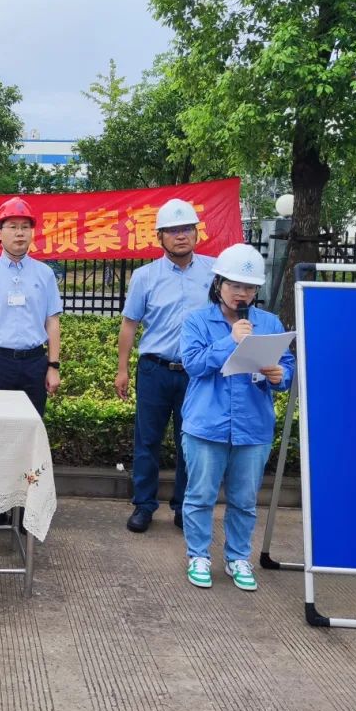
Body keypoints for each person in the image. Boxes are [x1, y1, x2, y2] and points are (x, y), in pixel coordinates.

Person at [179, 243, 294, 592]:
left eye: (249, 287)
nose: (241, 293)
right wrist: (230, 341)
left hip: (253, 427)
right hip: (206, 425)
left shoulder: (269, 323)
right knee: (200, 495)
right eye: (234, 285)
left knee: (244, 500)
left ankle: (238, 557)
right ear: (219, 284)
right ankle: (198, 555)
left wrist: (280, 376)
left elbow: (287, 366)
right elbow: (193, 365)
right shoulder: (197, 321)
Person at [116, 198, 214, 533]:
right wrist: (122, 369)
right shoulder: (145, 276)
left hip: (197, 373)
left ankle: (184, 507)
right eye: (172, 231)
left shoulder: (214, 273)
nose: (180, 236)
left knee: (191, 441)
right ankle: (143, 505)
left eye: (186, 229)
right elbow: (129, 324)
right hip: (154, 369)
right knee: (147, 441)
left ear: (196, 233)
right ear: (159, 237)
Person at [0, 196, 63, 526]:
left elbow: (52, 322)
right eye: (12, 227)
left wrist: (53, 366)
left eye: (25, 227)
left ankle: (26, 509)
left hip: (34, 364)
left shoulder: (45, 274)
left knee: (29, 439)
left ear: (32, 233)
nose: (19, 233)